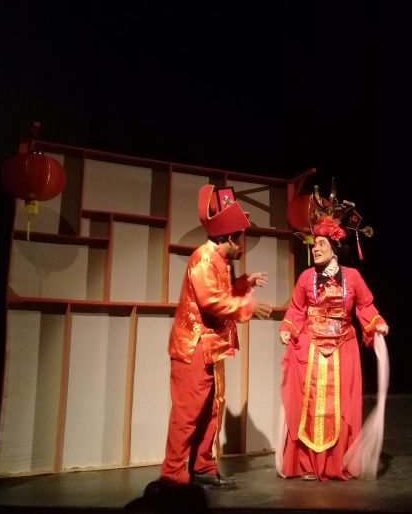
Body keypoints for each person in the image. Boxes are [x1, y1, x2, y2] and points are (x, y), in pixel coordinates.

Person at [159, 184, 272, 490]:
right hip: (193, 347)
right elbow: (210, 300)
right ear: (230, 238)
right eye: (241, 238)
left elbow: (221, 292)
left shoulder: (220, 261)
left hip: (210, 348)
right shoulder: (203, 258)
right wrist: (247, 306)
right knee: (187, 413)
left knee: (211, 409)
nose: (243, 245)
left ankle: (202, 467)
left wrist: (244, 284)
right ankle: (172, 475)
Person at [276, 183, 390, 481]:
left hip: (342, 349)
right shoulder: (306, 278)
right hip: (311, 348)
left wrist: (376, 322)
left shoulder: (353, 277)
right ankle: (307, 464)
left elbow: (365, 306)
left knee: (339, 407)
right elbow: (296, 310)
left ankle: (335, 464)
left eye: (321, 244)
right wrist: (288, 328)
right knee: (310, 406)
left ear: (335, 246)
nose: (315, 248)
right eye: (313, 245)